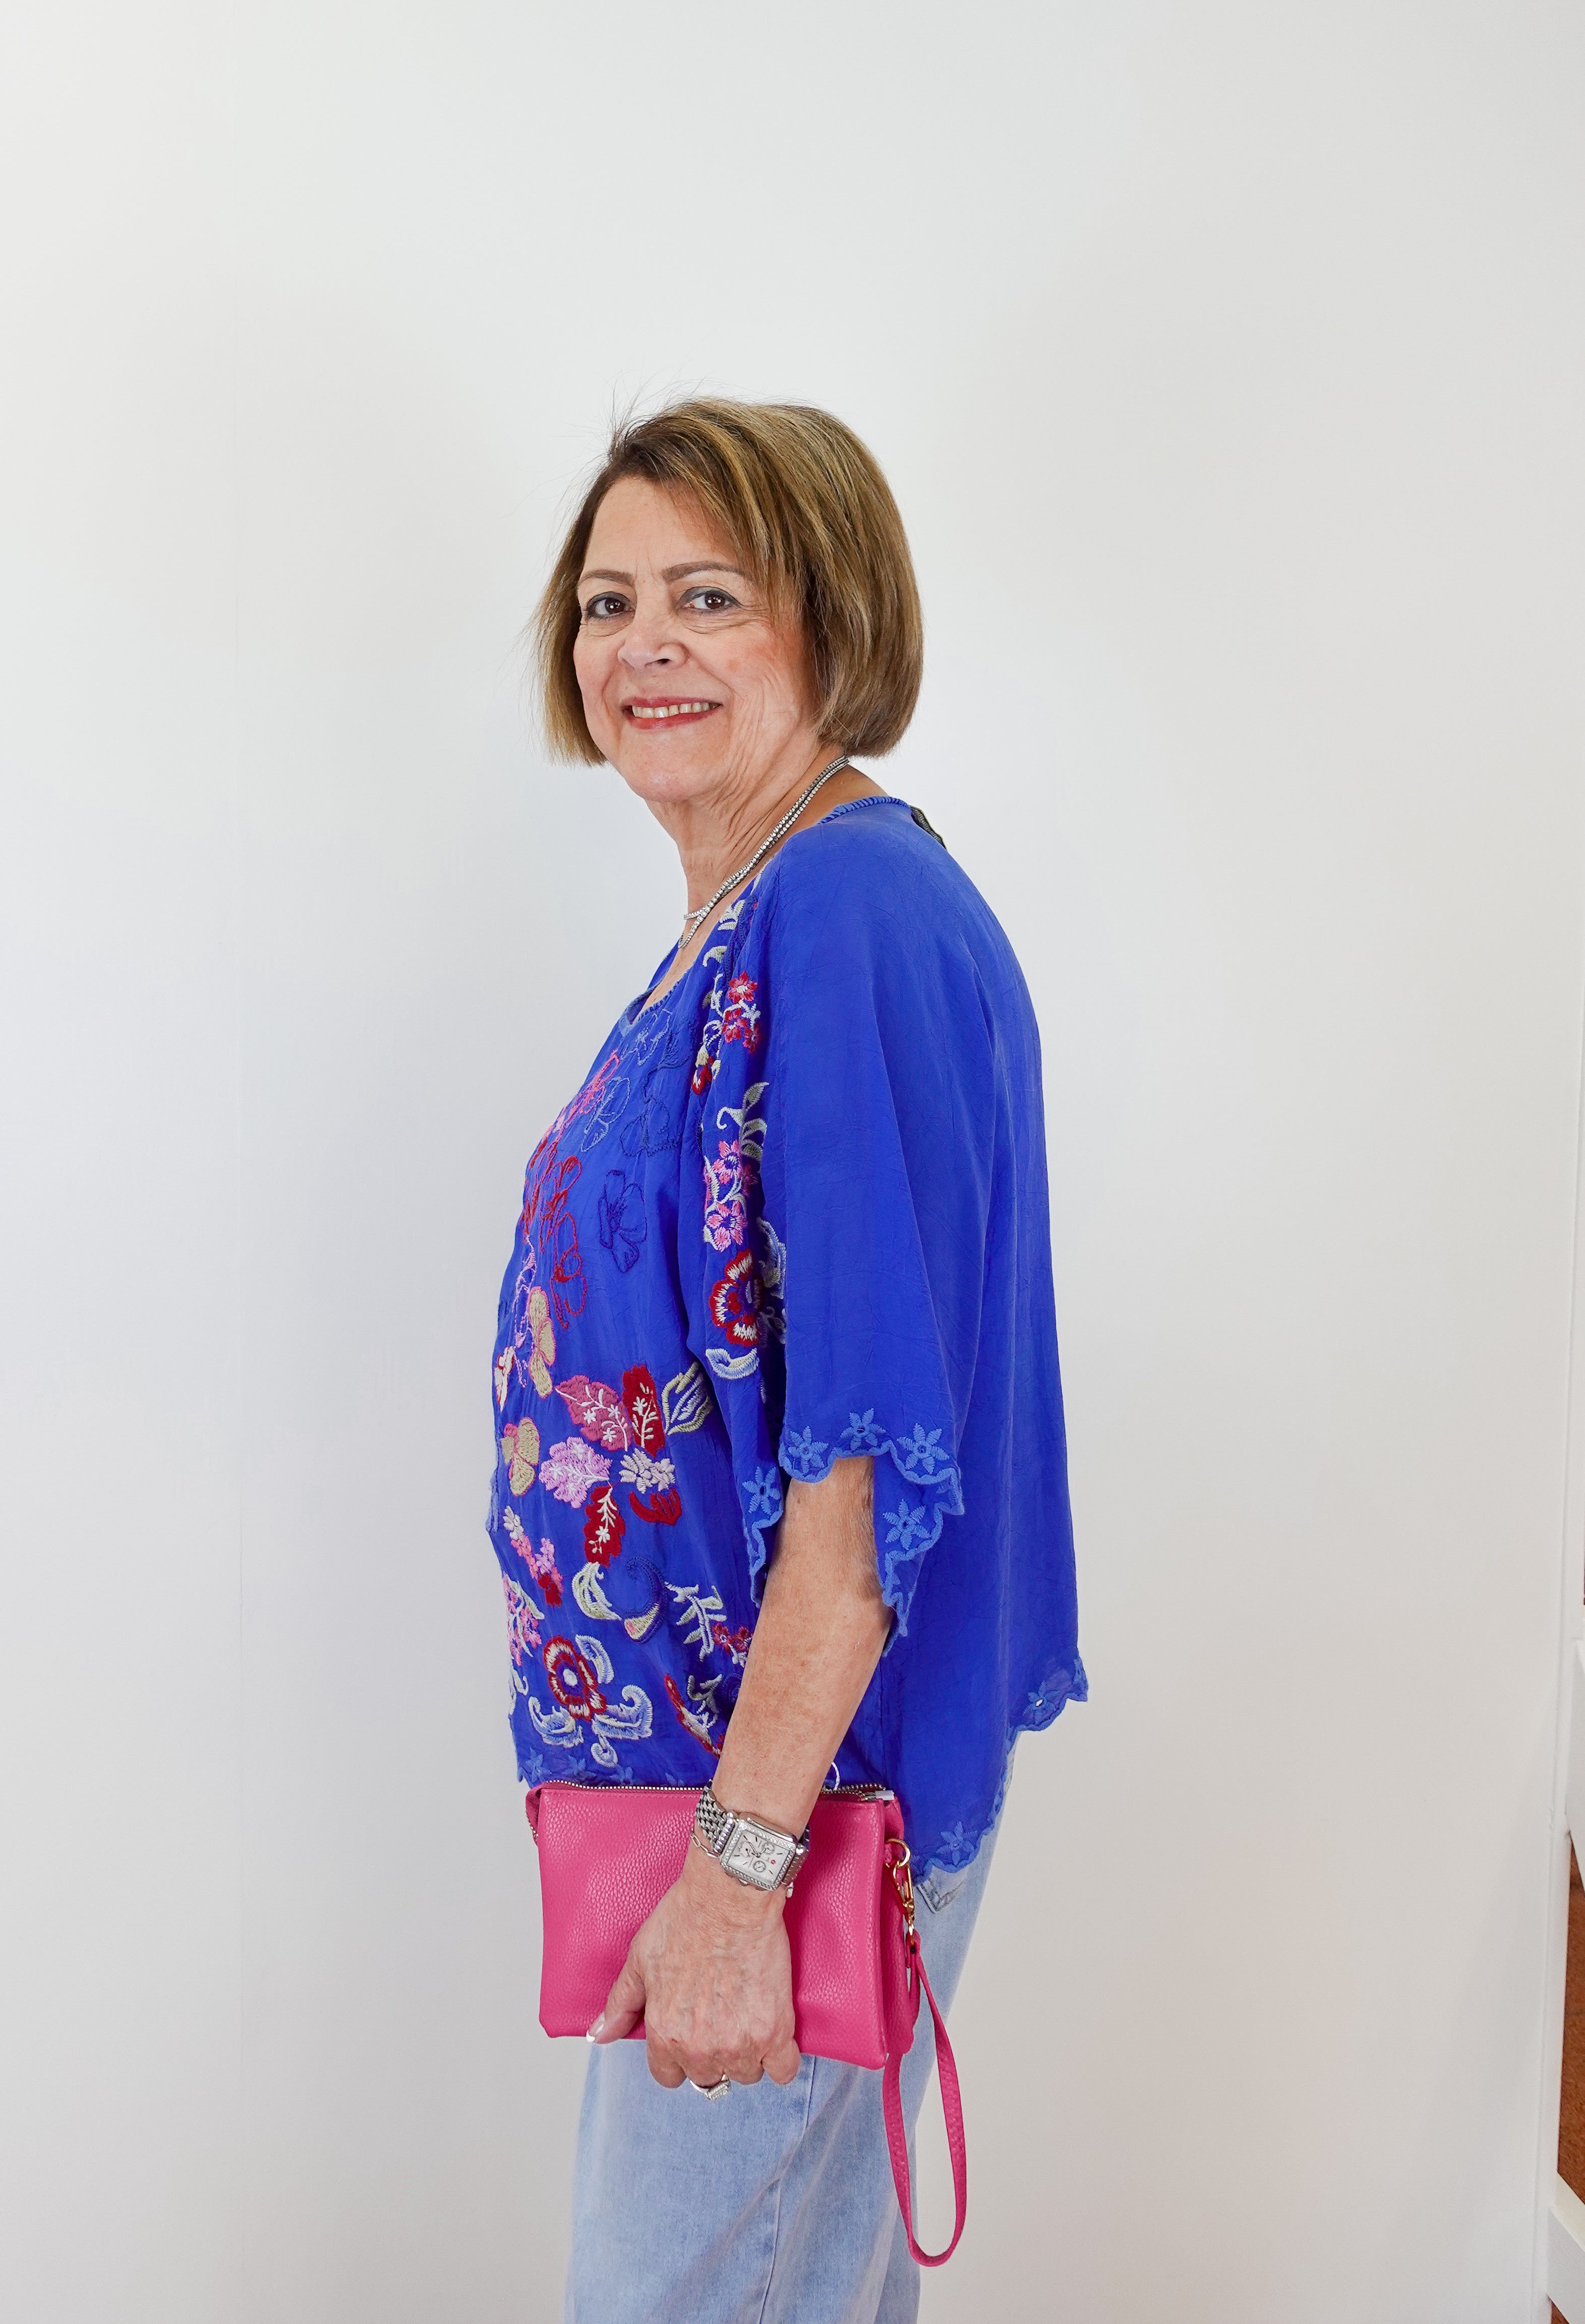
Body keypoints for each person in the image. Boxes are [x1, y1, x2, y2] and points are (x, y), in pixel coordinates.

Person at [488, 397, 1084, 2323]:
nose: (640, 645)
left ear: (826, 620)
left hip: (789, 1809)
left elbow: (862, 1449)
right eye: (607, 601)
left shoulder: (841, 905)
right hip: (717, 1800)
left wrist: (741, 1875)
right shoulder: (751, 913)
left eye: (707, 596)